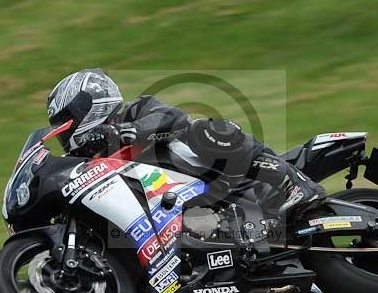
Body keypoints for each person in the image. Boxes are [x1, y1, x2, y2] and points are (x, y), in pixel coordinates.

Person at [46, 68, 326, 218]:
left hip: (225, 182)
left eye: (66, 121)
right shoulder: (94, 164)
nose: (63, 132)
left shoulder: (135, 111)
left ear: (90, 107)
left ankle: (294, 183)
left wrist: (125, 131)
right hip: (191, 214)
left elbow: (174, 119)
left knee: (205, 130)